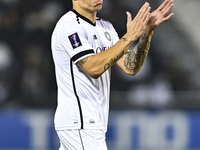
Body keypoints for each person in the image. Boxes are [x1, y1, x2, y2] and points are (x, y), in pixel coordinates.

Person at [51, 0, 174, 149]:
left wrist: (147, 32)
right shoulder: (69, 25)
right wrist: (129, 37)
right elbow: (92, 68)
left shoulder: (106, 27)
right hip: (80, 122)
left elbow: (131, 67)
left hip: (92, 124)